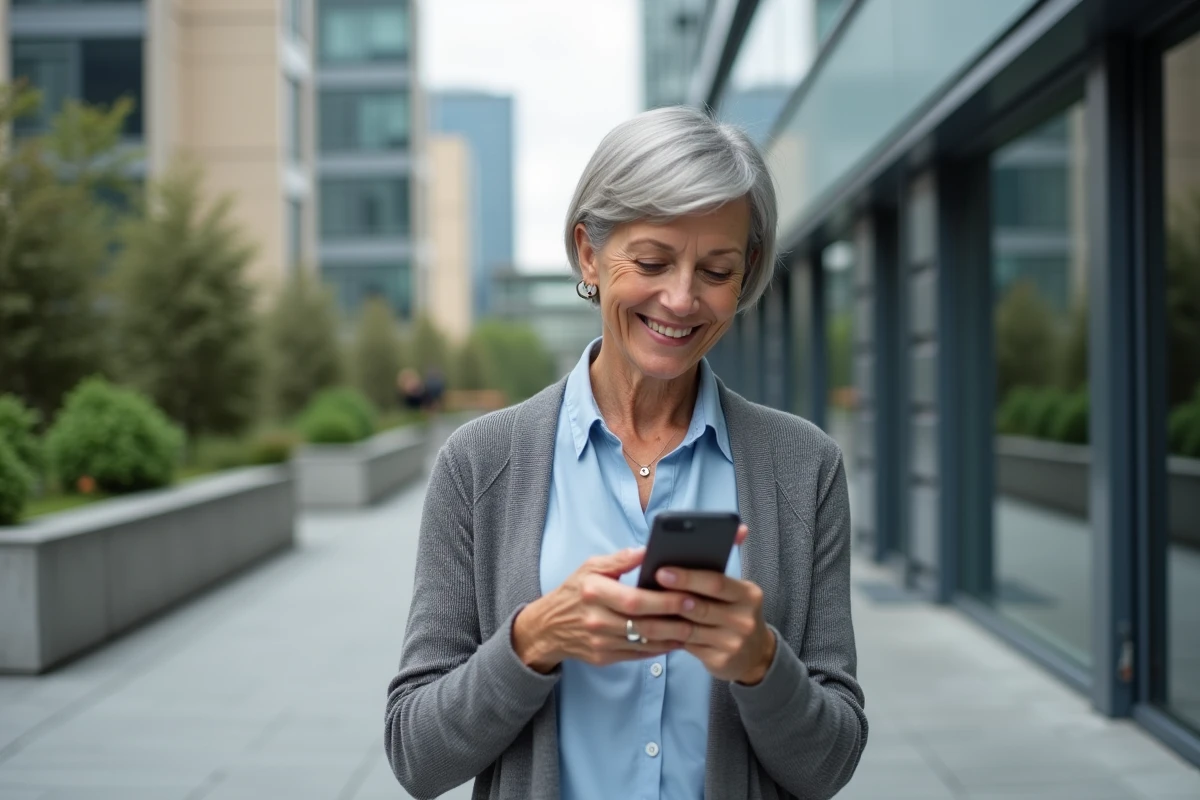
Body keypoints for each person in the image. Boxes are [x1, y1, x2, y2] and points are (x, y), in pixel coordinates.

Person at [385, 106, 867, 800]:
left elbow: (828, 765)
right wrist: (534, 639)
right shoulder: (481, 463)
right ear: (589, 252)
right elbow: (416, 755)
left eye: (716, 270)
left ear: (747, 274)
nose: (680, 298)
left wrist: (761, 662)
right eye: (651, 261)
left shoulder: (804, 467)